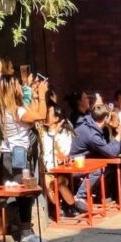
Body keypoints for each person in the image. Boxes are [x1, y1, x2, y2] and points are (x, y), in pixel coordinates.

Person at [0, 75, 46, 242]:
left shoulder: (7, 111)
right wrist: (42, 95)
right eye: (17, 84)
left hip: (9, 153)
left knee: (20, 192)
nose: (20, 87)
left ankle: (21, 228)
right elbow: (41, 115)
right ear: (12, 89)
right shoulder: (17, 112)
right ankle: (25, 232)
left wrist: (33, 96)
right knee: (25, 193)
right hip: (18, 154)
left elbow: (32, 114)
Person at [68, 101, 121, 212]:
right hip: (74, 164)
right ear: (106, 118)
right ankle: (80, 197)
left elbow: (109, 149)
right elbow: (112, 153)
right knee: (98, 169)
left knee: (108, 168)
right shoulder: (92, 134)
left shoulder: (90, 125)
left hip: (83, 159)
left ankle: (101, 195)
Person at [36, 92, 77, 220]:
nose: (45, 115)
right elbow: (45, 152)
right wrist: (52, 134)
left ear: (56, 118)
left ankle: (71, 206)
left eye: (48, 112)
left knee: (59, 183)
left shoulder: (65, 132)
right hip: (47, 169)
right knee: (48, 181)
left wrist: (54, 137)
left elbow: (62, 154)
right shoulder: (43, 131)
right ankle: (56, 209)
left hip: (61, 168)